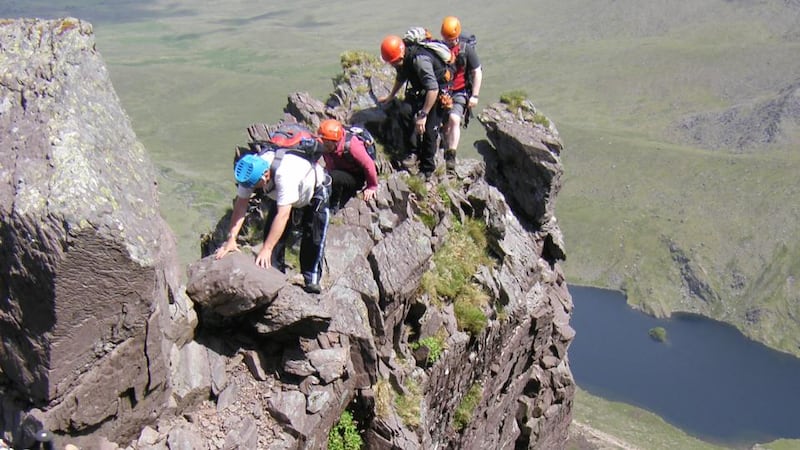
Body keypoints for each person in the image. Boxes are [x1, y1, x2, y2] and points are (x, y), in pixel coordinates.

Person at [214, 147, 330, 294]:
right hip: (282, 196)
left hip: (313, 191)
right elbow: (240, 205)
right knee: (271, 237)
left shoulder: (284, 175)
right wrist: (231, 239)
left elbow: (283, 215)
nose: (252, 190)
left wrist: (266, 249)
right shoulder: (250, 170)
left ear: (265, 176)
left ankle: (311, 280)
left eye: (254, 186)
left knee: (313, 236)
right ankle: (276, 277)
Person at [377, 33, 450, 180]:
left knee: (429, 130)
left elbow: (433, 89)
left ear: (399, 57)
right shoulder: (402, 59)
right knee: (404, 113)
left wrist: (423, 115)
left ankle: (427, 169)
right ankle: (413, 151)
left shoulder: (420, 61)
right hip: (421, 90)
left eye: (392, 62)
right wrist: (391, 96)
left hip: (435, 93)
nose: (391, 65)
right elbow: (401, 76)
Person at [440, 16, 482, 172]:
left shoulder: (466, 50)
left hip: (459, 91)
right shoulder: (440, 48)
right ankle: (444, 149)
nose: (449, 42)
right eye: (446, 39)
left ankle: (451, 155)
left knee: (454, 119)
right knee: (444, 126)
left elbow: (477, 72)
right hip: (443, 91)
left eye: (451, 39)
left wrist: (475, 95)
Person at [317, 119, 379, 211]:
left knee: (332, 177)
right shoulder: (328, 146)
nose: (323, 144)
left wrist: (372, 186)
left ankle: (334, 206)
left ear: (335, 141)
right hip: (340, 170)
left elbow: (368, 164)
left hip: (356, 176)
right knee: (327, 176)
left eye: (326, 142)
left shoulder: (352, 145)